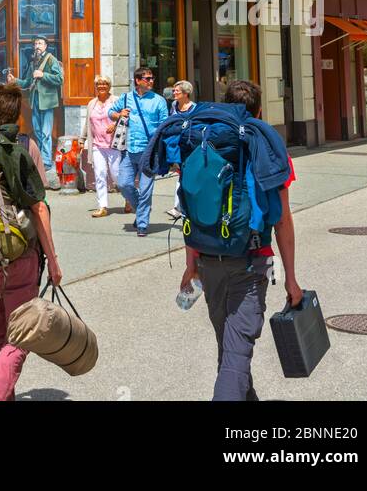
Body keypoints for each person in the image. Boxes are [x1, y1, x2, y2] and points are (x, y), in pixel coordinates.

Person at [175, 80, 301, 402]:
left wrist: (192, 264)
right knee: (235, 355)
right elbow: (283, 220)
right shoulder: (268, 147)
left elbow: (194, 204)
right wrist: (292, 279)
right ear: (259, 110)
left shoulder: (206, 144)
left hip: (208, 261)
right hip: (251, 261)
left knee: (230, 351)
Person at [0, 83, 63, 402]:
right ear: (16, 113)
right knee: (20, 336)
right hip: (17, 255)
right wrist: (52, 259)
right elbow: (39, 207)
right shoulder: (25, 145)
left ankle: (0, 396)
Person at [108, 65, 169, 237]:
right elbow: (110, 112)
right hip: (128, 149)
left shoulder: (159, 100)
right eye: (147, 78)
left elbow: (165, 124)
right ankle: (142, 210)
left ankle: (142, 223)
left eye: (152, 78)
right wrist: (119, 114)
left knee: (145, 189)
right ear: (137, 80)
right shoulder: (126, 98)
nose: (151, 81)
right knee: (124, 184)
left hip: (149, 151)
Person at [8, 35, 64, 186]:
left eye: (40, 43)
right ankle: (40, 161)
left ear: (46, 46)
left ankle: (46, 162)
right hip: (35, 101)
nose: (37, 45)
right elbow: (27, 82)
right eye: (35, 43)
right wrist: (15, 81)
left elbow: (60, 79)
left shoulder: (51, 59)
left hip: (47, 102)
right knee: (38, 132)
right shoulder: (33, 61)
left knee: (46, 133)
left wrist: (43, 74)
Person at [81, 74, 121, 218]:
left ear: (109, 86)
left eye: (104, 84)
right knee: (99, 174)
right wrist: (82, 139)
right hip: (97, 144)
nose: (101, 86)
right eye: (99, 84)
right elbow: (88, 122)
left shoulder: (116, 101)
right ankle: (102, 206)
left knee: (116, 175)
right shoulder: (92, 103)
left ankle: (129, 198)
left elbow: (126, 117)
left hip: (113, 144)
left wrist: (115, 124)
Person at [166, 80, 196, 220]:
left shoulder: (194, 108)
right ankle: (180, 207)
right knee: (181, 174)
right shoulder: (174, 105)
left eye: (177, 91)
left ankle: (179, 207)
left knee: (183, 175)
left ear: (186, 93)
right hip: (175, 146)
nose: (174, 92)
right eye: (174, 90)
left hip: (188, 146)